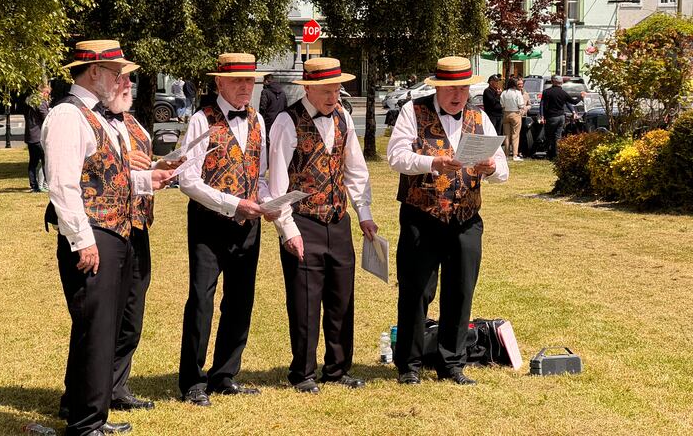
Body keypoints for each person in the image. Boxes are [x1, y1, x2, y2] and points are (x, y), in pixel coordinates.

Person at [42, 39, 172, 436]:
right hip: (94, 233)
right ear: (95, 73)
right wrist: (82, 240)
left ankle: (94, 415)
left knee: (104, 328)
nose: (121, 81)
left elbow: (106, 174)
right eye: (117, 73)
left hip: (115, 233)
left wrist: (147, 179)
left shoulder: (99, 117)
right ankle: (85, 424)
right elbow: (62, 185)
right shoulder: (69, 116)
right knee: (95, 329)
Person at [387, 56, 508, 386]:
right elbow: (396, 157)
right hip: (422, 216)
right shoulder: (413, 111)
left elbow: (503, 167)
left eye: (464, 88)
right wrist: (433, 162)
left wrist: (492, 168)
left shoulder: (479, 116)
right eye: (452, 88)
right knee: (416, 291)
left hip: (466, 218)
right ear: (438, 88)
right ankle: (409, 364)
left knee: (461, 289)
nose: (458, 95)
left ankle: (452, 362)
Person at [268, 58, 377, 394]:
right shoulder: (286, 122)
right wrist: (288, 230)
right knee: (304, 300)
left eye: (337, 89)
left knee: (342, 297)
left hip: (337, 219)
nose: (334, 96)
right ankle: (303, 373)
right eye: (327, 90)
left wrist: (364, 213)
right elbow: (277, 183)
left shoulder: (343, 117)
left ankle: (338, 368)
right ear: (309, 88)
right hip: (303, 221)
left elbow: (355, 169)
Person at [177, 53, 279, 407]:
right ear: (218, 82)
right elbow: (187, 180)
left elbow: (259, 175)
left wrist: (268, 203)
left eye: (250, 81)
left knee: (240, 300)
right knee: (202, 301)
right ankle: (192, 381)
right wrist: (233, 204)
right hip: (209, 224)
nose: (245, 88)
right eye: (237, 81)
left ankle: (225, 375)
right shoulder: (200, 121)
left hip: (248, 225)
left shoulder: (258, 121)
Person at [539, 75, 576, 160]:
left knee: (549, 136)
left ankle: (549, 153)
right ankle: (556, 154)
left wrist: (542, 116)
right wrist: (581, 97)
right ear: (561, 83)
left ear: (553, 82)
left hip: (551, 117)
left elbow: (543, 105)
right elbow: (572, 102)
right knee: (557, 136)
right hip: (561, 117)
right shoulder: (563, 92)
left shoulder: (546, 92)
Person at [25, 84, 51, 192]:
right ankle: (47, 184)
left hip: (30, 135)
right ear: (45, 92)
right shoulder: (40, 102)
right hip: (38, 136)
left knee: (33, 163)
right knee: (46, 161)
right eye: (48, 94)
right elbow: (46, 117)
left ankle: (34, 186)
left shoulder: (28, 101)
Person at [500, 77, 524, 161]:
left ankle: (506, 155)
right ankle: (514, 155)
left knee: (506, 135)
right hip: (515, 113)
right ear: (515, 84)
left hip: (506, 114)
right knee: (515, 135)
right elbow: (521, 105)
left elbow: (502, 105)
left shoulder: (504, 93)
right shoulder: (517, 93)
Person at [259, 73, 287, 138]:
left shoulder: (265, 92)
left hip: (269, 121)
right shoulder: (282, 92)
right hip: (281, 120)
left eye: (263, 81)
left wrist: (261, 120)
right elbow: (286, 107)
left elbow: (262, 107)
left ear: (266, 81)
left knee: (269, 140)